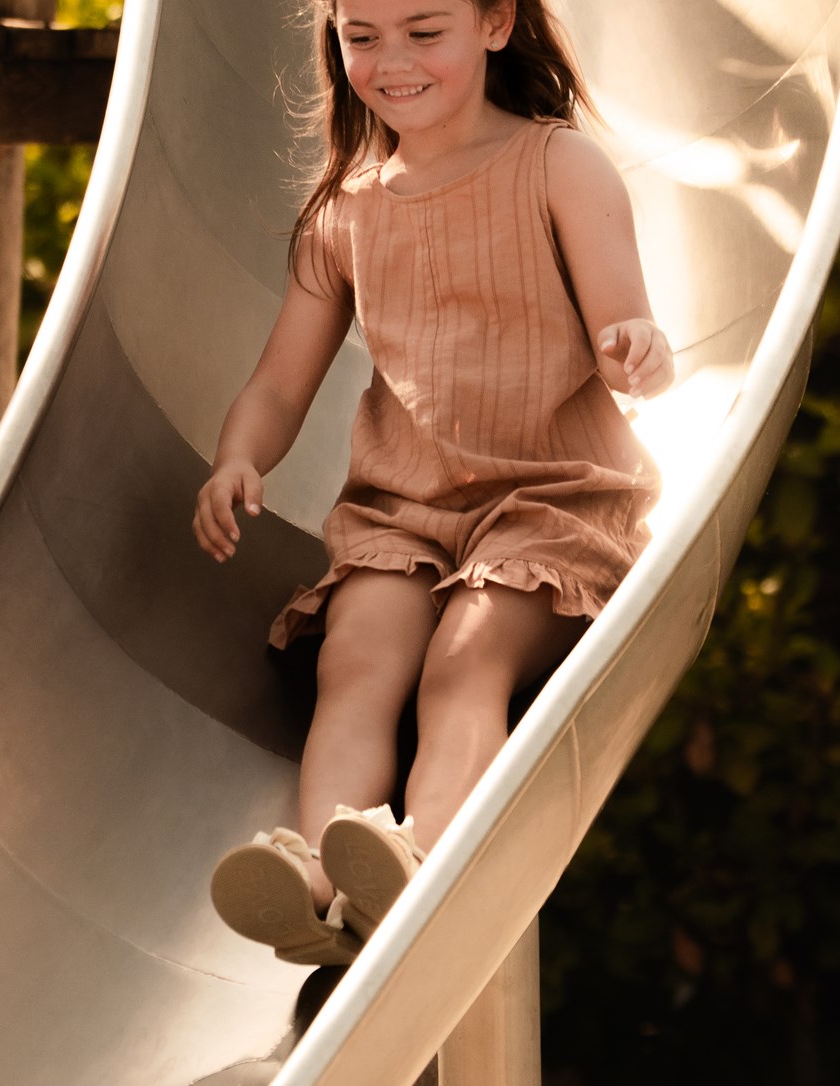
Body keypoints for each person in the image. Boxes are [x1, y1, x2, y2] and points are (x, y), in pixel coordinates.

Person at [196, 0, 671, 966]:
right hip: (405, 510)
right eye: (361, 37)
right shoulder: (347, 210)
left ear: (495, 24)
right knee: (356, 662)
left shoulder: (558, 166)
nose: (391, 61)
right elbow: (280, 383)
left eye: (423, 32)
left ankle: (421, 858)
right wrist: (238, 456)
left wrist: (637, 351)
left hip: (552, 504)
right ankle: (321, 878)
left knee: (464, 661)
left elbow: (627, 330)